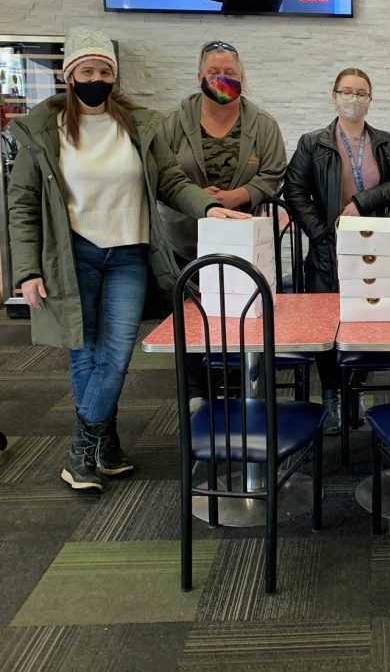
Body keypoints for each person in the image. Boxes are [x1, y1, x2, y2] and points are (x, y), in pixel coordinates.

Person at [7, 27, 248, 492]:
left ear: (113, 77)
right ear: (69, 74)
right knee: (86, 353)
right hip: (72, 253)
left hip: (128, 254)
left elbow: (172, 182)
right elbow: (22, 203)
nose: (95, 78)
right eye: (86, 70)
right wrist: (28, 270)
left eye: (103, 71)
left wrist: (209, 206)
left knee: (115, 355)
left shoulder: (138, 124)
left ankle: (82, 445)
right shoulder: (43, 127)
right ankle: (106, 444)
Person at [284, 67, 390, 430]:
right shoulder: (313, 143)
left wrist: (360, 201)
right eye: (347, 91)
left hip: (377, 247)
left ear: (370, 100)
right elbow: (294, 191)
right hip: (328, 249)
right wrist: (322, 232)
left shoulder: (386, 142)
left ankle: (356, 387)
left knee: (368, 316)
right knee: (328, 325)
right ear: (333, 96)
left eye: (361, 93)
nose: (353, 99)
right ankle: (332, 395)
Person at [158, 39, 287, 403]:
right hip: (184, 239)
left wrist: (235, 197)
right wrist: (202, 201)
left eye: (229, 73)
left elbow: (274, 173)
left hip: (240, 241)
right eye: (214, 73)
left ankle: (241, 388)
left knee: (239, 312)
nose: (221, 79)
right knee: (192, 318)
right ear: (199, 76)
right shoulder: (170, 123)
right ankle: (198, 393)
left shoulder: (263, 124)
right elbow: (162, 176)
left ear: (242, 77)